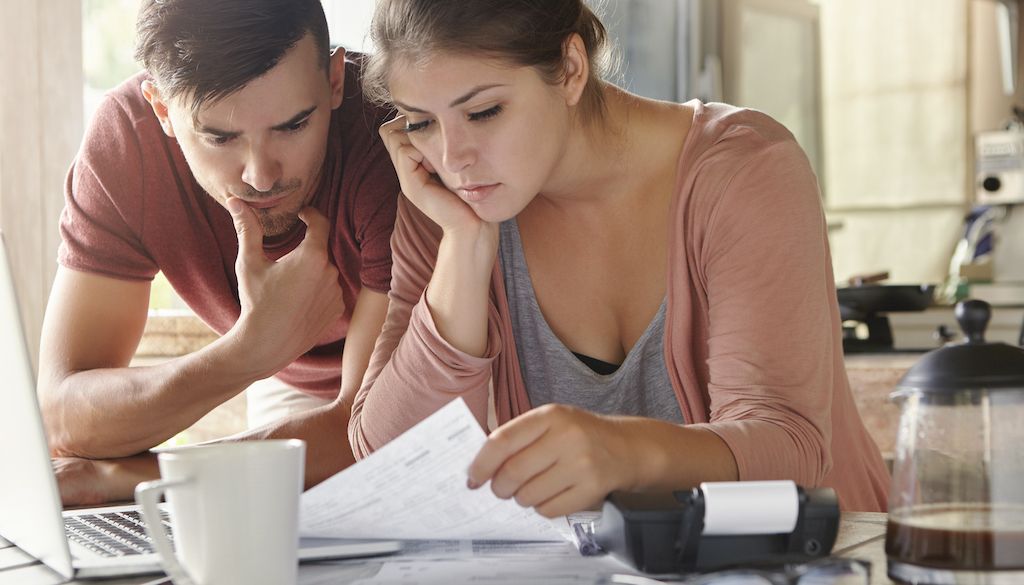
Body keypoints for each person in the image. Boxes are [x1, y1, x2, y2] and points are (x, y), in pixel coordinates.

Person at [348, 0, 890, 514]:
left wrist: (623, 453)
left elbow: (789, 448)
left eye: (484, 112)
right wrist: (464, 247)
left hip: (821, 561)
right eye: (420, 122)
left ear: (569, 68)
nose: (452, 156)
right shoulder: (443, 204)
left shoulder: (745, 172)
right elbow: (391, 463)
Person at [39, 0, 399, 505]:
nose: (261, 175)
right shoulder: (127, 144)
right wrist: (251, 350)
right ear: (162, 109)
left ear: (335, 80)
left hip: (425, 389)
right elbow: (64, 419)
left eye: (293, 125)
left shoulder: (390, 134)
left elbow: (367, 434)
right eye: (220, 137)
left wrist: (133, 480)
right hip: (286, 385)